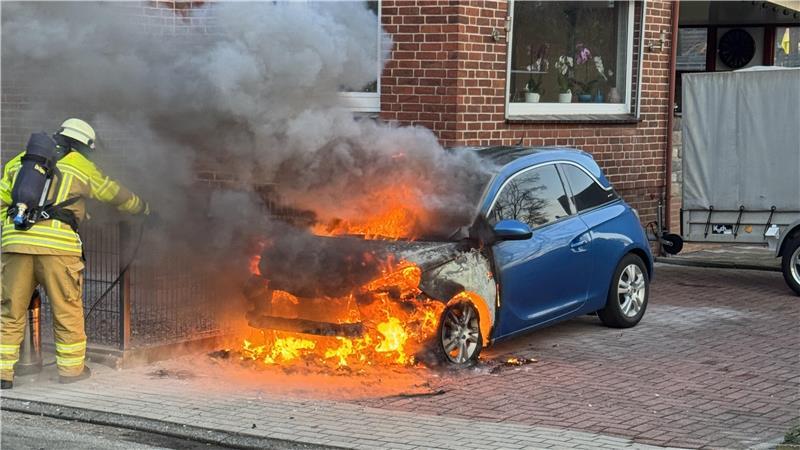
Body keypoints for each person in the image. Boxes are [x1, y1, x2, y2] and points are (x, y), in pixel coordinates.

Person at [0, 118, 150, 389]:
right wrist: (142, 208)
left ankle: (3, 374)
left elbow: (2, 201)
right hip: (58, 248)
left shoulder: (19, 161)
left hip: (15, 245)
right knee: (66, 308)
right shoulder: (79, 165)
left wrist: (12, 230)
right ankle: (71, 371)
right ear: (82, 145)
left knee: (9, 310)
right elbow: (112, 192)